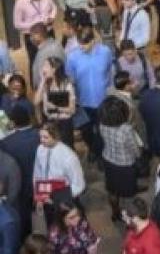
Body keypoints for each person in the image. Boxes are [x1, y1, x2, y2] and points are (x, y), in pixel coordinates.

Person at [65, 27, 113, 158]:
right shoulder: (72, 57)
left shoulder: (106, 52)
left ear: (93, 41)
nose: (81, 46)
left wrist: (111, 90)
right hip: (83, 102)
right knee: (85, 130)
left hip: (103, 100)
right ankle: (94, 149)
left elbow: (110, 70)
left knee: (103, 130)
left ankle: (101, 154)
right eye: (79, 43)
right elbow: (70, 80)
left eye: (84, 43)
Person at [98, 96, 142, 221]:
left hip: (108, 160)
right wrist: (139, 155)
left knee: (112, 190)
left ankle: (115, 212)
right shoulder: (126, 129)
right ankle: (129, 217)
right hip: (125, 164)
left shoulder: (102, 124)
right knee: (129, 194)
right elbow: (134, 149)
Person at [33, 122, 85, 226]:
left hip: (65, 202)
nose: (41, 140)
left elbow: (79, 185)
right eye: (40, 136)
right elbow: (37, 173)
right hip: (47, 199)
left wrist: (57, 199)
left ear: (55, 136)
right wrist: (38, 196)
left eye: (45, 137)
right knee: (51, 226)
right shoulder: (40, 149)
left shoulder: (69, 157)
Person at [34, 56, 75, 146]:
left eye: (45, 66)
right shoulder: (45, 84)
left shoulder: (66, 85)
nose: (42, 69)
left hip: (64, 123)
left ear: (54, 69)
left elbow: (72, 110)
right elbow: (36, 102)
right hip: (50, 122)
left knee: (66, 146)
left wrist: (56, 108)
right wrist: (42, 81)